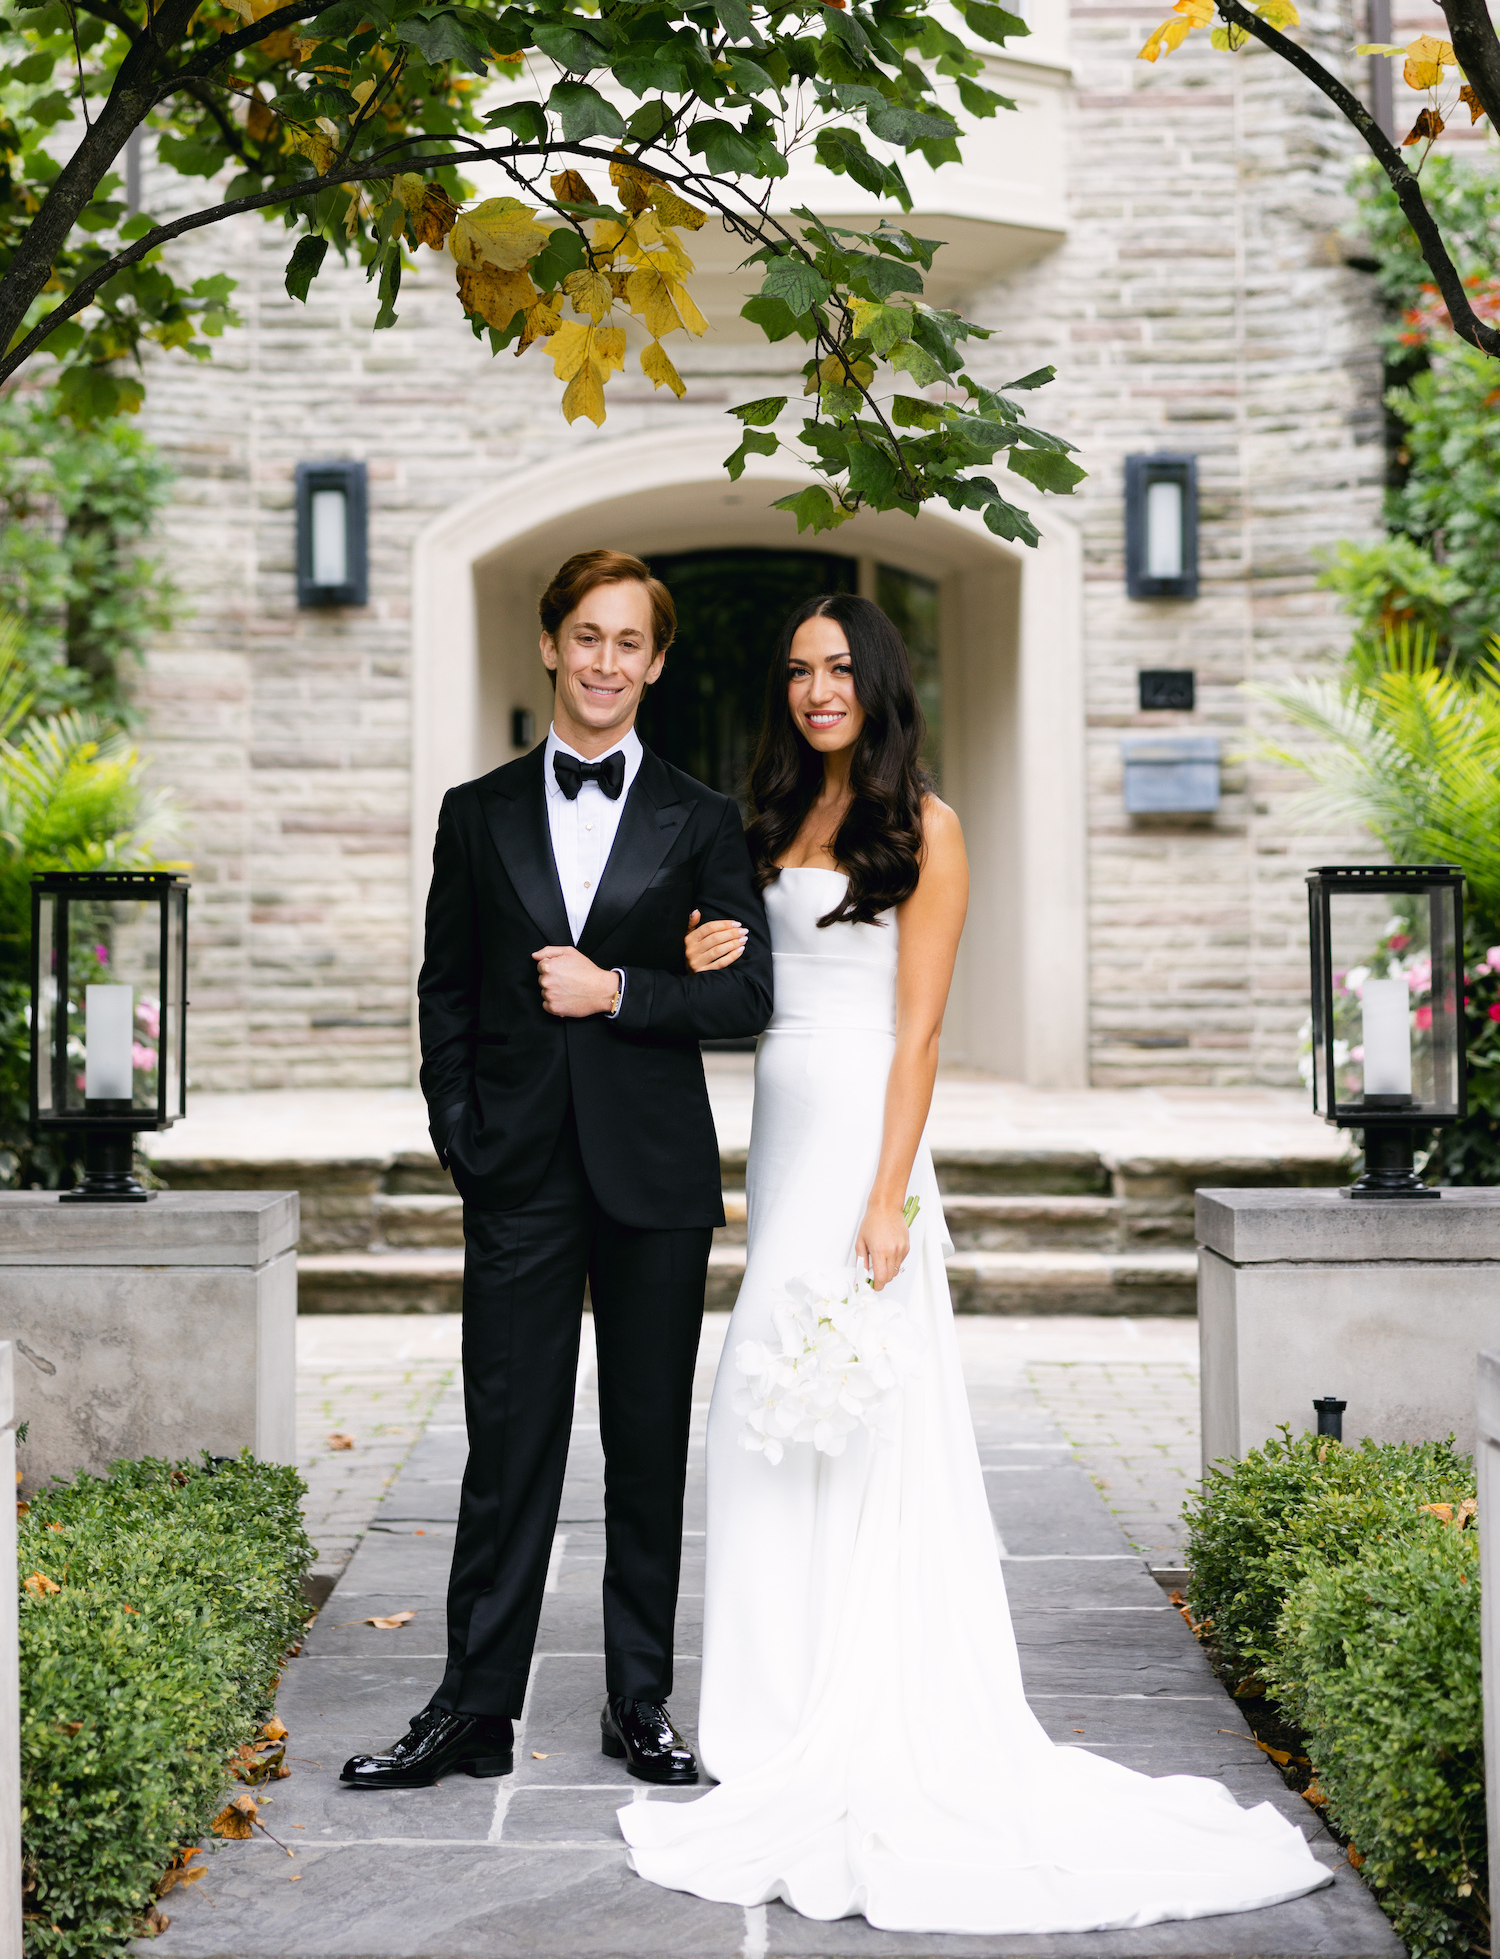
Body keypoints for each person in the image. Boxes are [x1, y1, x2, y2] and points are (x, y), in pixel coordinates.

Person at [618, 591, 1331, 1933]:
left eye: (835, 667)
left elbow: (923, 1034)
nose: (813, 688)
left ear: (880, 680)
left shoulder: (925, 828)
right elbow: (742, 980)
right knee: (766, 1419)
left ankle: (863, 1707)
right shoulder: (770, 819)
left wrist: (888, 1199)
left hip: (865, 1144)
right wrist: (703, 942)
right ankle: (767, 1717)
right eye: (796, 669)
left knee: (858, 1416)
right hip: (780, 1128)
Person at [341, 548, 774, 1793]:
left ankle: (639, 1698)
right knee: (508, 1444)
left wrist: (625, 987)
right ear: (549, 645)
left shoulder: (702, 818)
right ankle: (472, 1708)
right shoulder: (475, 813)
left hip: (654, 1178)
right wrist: (465, 1138)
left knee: (645, 1448)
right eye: (586, 636)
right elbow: (445, 991)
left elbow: (747, 991)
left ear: (656, 660)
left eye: (629, 641)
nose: (604, 662)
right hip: (517, 1173)